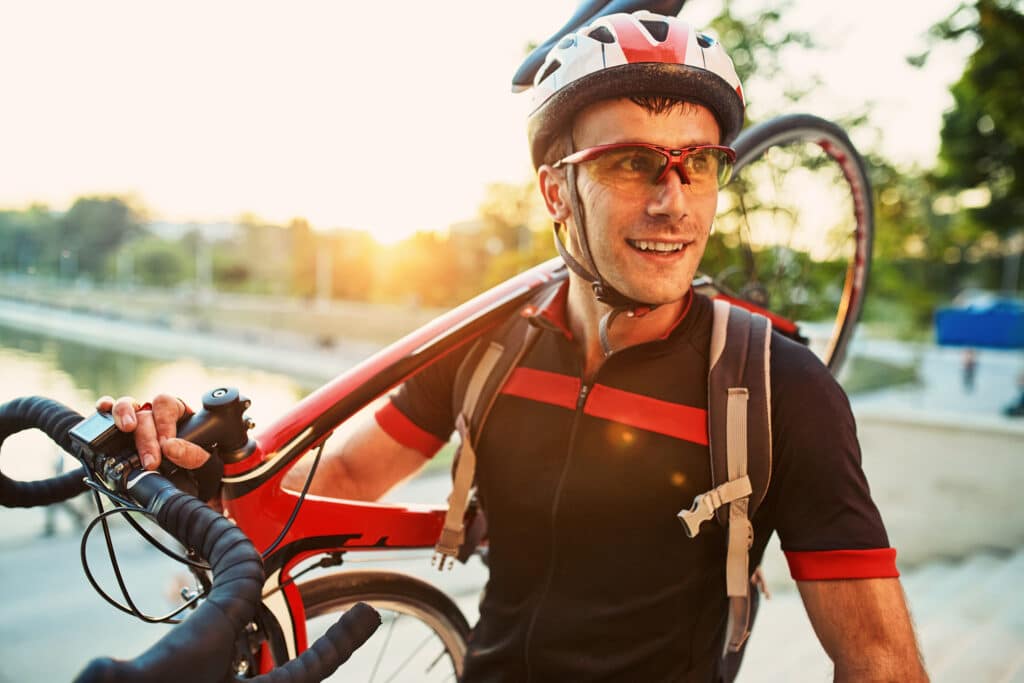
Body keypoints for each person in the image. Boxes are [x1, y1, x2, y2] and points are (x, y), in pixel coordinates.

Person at [99, 11, 928, 682]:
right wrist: (190, 450)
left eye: (699, 164)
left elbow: (878, 659)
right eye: (632, 163)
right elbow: (343, 476)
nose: (675, 203)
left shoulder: (779, 389)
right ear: (555, 190)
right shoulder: (486, 346)